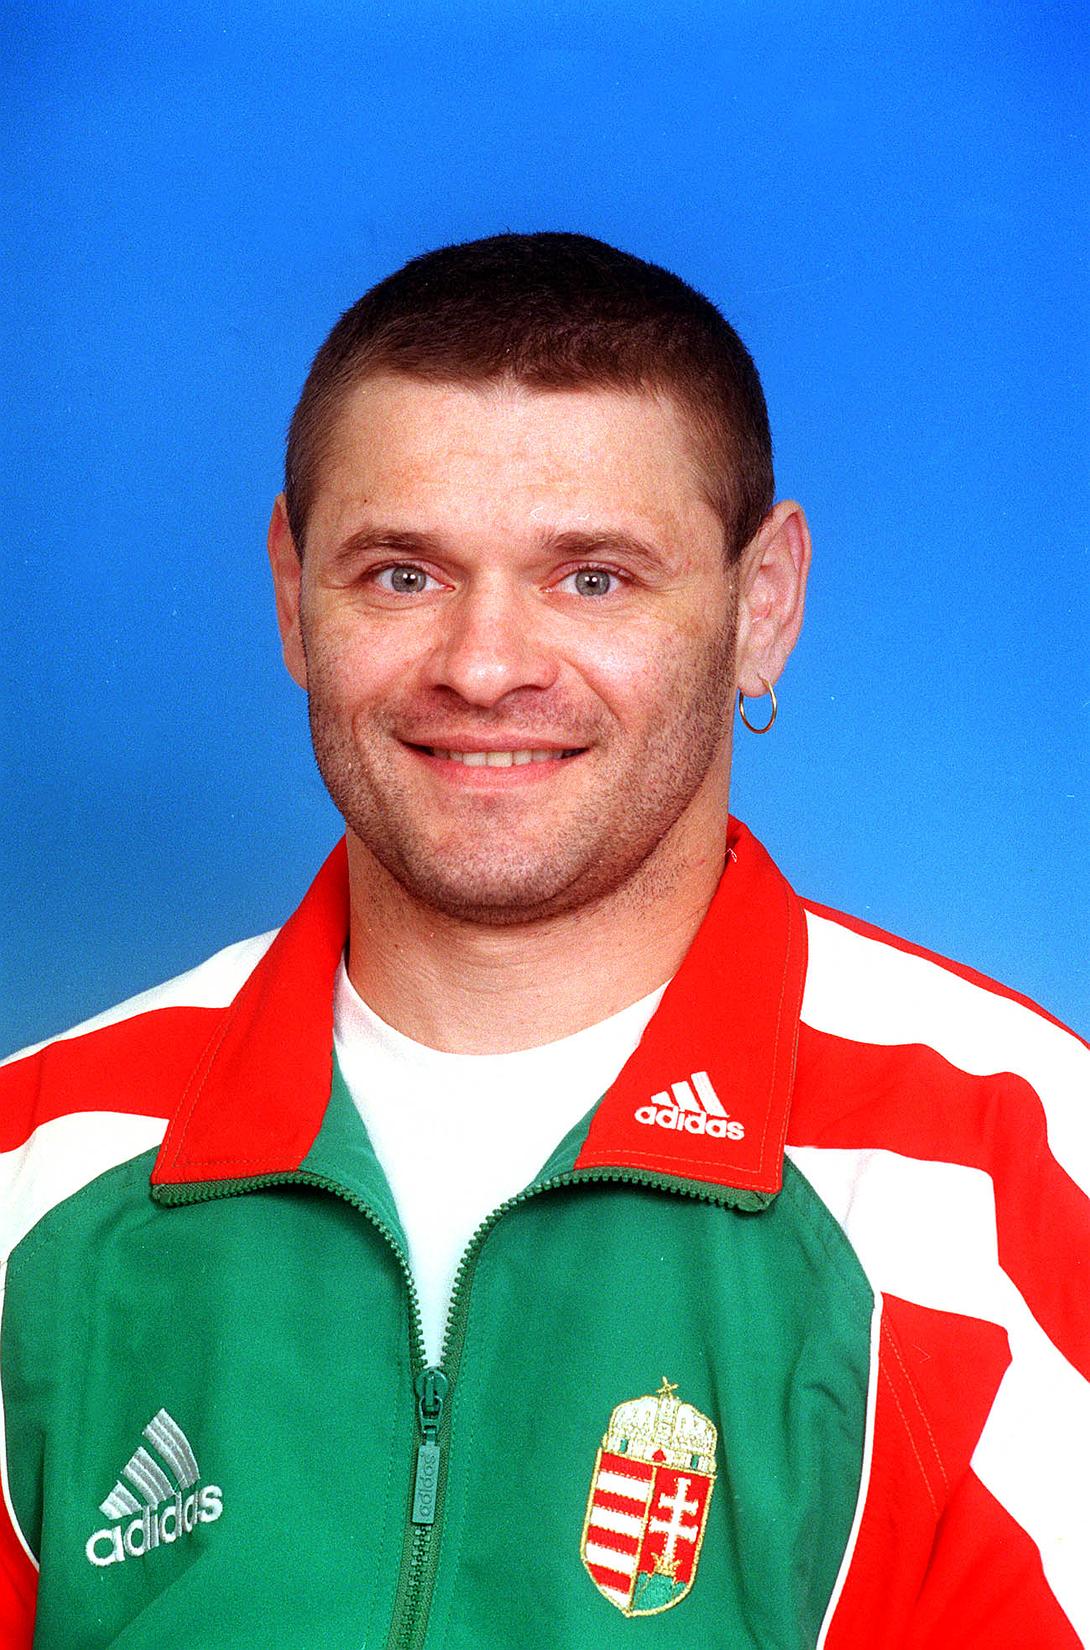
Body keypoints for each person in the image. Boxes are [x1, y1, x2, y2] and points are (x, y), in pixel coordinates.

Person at [1, 233, 1085, 1650]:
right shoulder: (38, 1169)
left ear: (761, 605)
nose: (484, 665)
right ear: (291, 592)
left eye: (593, 579)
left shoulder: (1011, 1177)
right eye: (402, 575)